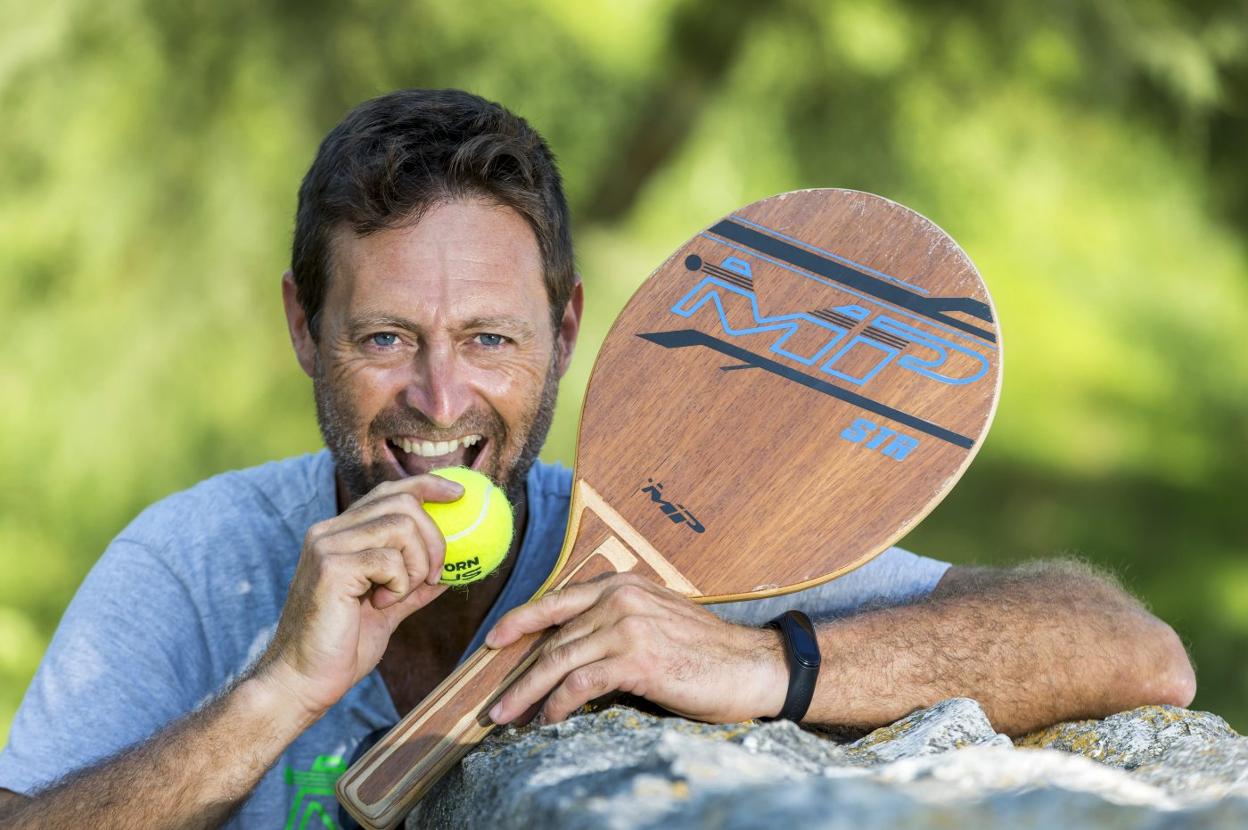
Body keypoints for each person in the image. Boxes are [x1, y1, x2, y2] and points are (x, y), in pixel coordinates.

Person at [0, 88, 1195, 829]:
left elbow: (1132, 650)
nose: (440, 397)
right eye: (382, 337)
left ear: (568, 329)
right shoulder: (196, 559)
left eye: (491, 338)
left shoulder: (677, 540)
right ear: (301, 327)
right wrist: (277, 690)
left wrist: (759, 661)